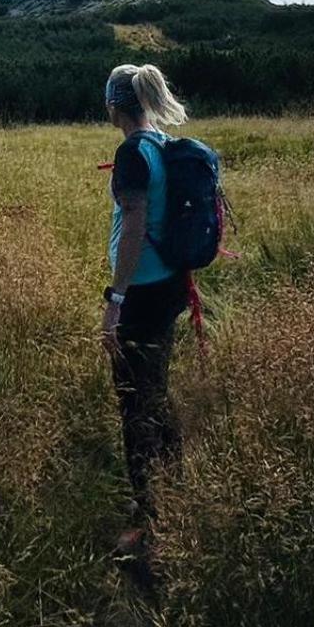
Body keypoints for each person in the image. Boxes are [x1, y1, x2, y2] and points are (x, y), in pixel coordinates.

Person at [100, 62, 190, 554]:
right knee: (155, 383)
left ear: (114, 104)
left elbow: (133, 226)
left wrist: (116, 299)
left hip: (143, 291)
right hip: (170, 286)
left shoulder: (133, 152)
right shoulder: (161, 145)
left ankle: (147, 522)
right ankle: (177, 474)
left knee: (134, 400)